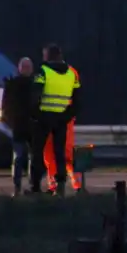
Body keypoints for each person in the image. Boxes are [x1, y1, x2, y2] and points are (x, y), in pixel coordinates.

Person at [31, 44, 80, 197]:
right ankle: (61, 185)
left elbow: (35, 96)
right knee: (60, 153)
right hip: (62, 119)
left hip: (45, 117)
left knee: (38, 152)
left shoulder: (43, 71)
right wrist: (66, 115)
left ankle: (36, 186)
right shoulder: (71, 73)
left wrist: (36, 115)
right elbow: (78, 100)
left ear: (48, 56)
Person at [43, 63, 84, 195]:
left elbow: (76, 96)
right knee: (49, 155)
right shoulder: (45, 71)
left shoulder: (70, 72)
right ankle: (54, 186)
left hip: (63, 119)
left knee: (66, 153)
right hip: (51, 118)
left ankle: (77, 185)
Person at [1, 57, 39, 196]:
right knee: (19, 157)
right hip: (19, 125)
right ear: (20, 68)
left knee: (32, 158)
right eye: (25, 67)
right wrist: (10, 121)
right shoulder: (13, 85)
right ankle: (17, 187)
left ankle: (31, 186)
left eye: (28, 67)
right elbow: (6, 106)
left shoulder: (34, 84)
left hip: (31, 125)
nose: (27, 70)